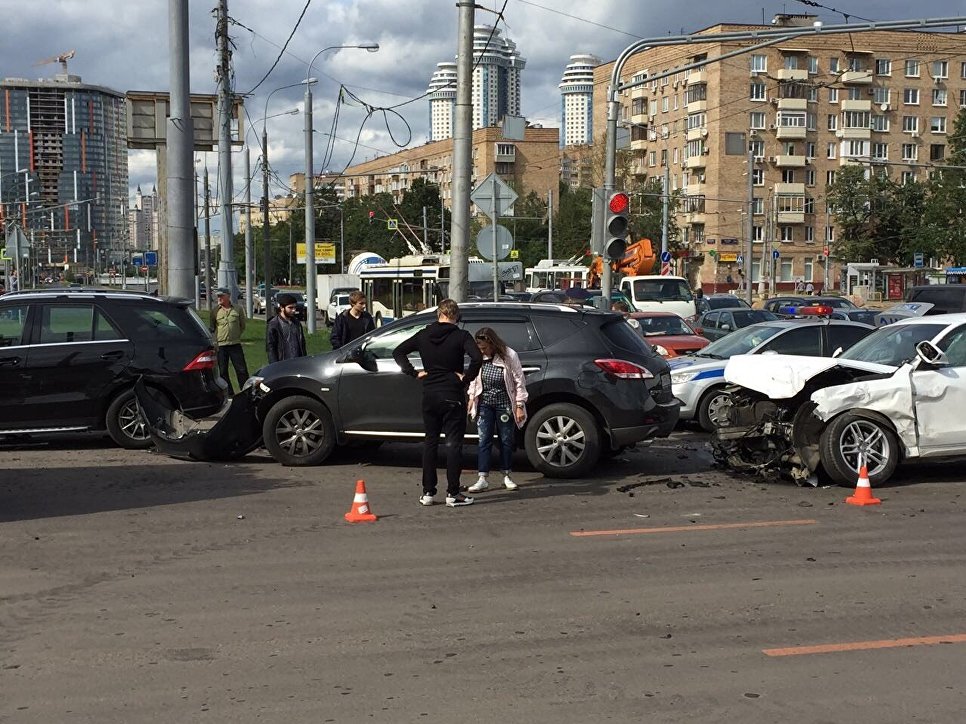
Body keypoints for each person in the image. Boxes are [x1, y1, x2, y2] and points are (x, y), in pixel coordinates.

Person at [393, 299, 482, 507]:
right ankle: (453, 493)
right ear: (456, 316)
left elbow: (398, 351)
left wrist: (414, 373)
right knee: (453, 444)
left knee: (430, 442)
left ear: (438, 314)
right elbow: (477, 358)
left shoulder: (424, 334)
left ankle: (428, 492)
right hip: (452, 393)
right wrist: (466, 378)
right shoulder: (461, 336)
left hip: (430, 392)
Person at [466, 328, 528, 493]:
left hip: (504, 403)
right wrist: (472, 397)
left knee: (506, 440)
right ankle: (482, 477)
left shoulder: (509, 356)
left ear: (493, 344)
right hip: (485, 403)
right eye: (480, 348)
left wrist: (520, 405)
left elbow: (519, 381)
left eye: (485, 348)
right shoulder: (479, 356)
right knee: (484, 439)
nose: (482, 351)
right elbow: (474, 378)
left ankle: (506, 474)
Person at [213, 287, 249, 393]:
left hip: (235, 344)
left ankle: (245, 391)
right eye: (218, 296)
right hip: (221, 346)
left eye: (221, 296)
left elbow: (242, 325)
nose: (219, 298)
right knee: (223, 371)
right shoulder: (215, 311)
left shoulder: (237, 309)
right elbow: (213, 328)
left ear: (228, 296)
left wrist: (235, 335)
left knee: (241, 370)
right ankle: (229, 393)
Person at [266, 292, 307, 363]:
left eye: (295, 307)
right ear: (282, 308)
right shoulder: (274, 324)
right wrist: (274, 366)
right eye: (290, 308)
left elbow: (302, 344)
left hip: (298, 363)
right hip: (282, 364)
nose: (293, 310)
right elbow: (271, 347)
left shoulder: (297, 323)